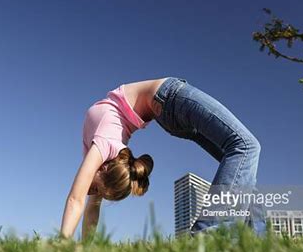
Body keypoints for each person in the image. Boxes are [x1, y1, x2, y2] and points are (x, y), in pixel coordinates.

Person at [60, 77, 263, 239]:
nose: (90, 191)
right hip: (169, 101)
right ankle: (207, 235)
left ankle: (260, 240)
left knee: (242, 168)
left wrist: (69, 246)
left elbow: (76, 201)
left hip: (167, 102)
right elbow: (88, 208)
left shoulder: (102, 147)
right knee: (245, 148)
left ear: (103, 169)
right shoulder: (105, 153)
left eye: (95, 189)